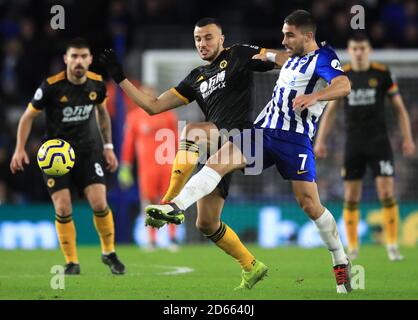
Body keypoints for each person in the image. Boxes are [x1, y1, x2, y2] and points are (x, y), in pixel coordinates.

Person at [144, 10, 354, 294]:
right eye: (283, 33)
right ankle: (175, 207)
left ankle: (339, 260)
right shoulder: (290, 59)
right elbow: (270, 56)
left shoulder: (324, 57)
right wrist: (262, 55)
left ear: (308, 35)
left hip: (296, 141)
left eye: (290, 35)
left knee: (310, 205)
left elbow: (343, 85)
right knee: (218, 161)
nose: (284, 39)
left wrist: (315, 96)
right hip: (264, 132)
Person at [100, 17, 283, 289]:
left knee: (192, 132)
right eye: (198, 39)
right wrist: (120, 78)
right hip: (219, 151)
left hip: (245, 138)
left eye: (208, 37)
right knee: (206, 223)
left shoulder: (238, 54)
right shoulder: (196, 78)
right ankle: (251, 265)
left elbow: (275, 58)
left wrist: (296, 58)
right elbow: (152, 106)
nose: (202, 43)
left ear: (222, 38)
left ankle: (170, 202)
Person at [10, 37, 125, 275]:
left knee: (100, 202)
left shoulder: (96, 84)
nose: (79, 61)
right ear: (66, 59)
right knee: (63, 208)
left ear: (90, 59)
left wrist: (109, 147)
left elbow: (102, 115)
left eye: (83, 56)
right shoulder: (51, 86)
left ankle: (109, 252)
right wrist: (20, 148)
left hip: (87, 151)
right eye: (74, 56)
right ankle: (72, 262)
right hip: (56, 155)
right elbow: (27, 117)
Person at [314, 33, 416, 261]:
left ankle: (392, 245)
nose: (359, 52)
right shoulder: (344, 76)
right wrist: (320, 142)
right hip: (354, 144)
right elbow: (330, 112)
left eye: (362, 48)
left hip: (380, 143)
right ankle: (353, 247)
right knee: (351, 196)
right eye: (355, 49)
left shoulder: (382, 73)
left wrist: (408, 138)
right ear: (350, 51)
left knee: (387, 193)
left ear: (368, 50)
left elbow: (399, 108)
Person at [118, 85, 179, 250]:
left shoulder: (168, 115)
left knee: (169, 201)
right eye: (144, 95)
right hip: (147, 169)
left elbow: (176, 141)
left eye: (150, 94)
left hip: (167, 166)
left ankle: (172, 238)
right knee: (149, 202)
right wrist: (125, 166)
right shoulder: (134, 118)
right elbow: (128, 144)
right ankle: (152, 239)